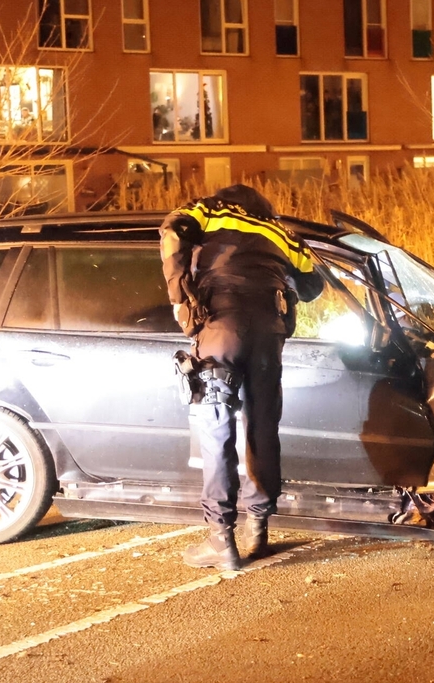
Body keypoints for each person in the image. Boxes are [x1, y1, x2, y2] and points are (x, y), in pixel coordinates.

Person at [160, 185, 323, 571]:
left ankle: (221, 539)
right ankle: (258, 531)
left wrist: (181, 298)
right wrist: (280, 280)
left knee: (216, 429)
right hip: (268, 329)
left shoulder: (208, 211)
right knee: (263, 427)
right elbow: (314, 285)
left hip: (222, 323)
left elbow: (172, 234)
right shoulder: (280, 232)